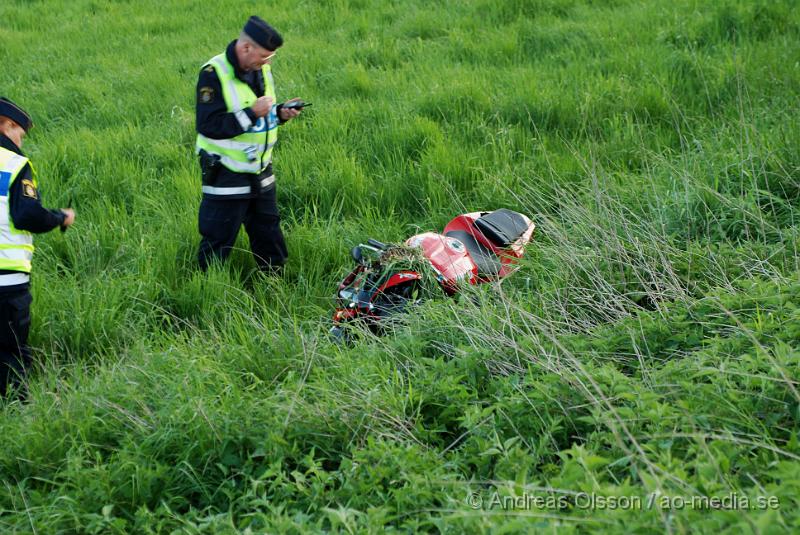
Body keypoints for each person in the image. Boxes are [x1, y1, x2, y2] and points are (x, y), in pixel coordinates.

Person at [195, 15, 304, 272]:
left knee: (268, 231)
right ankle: (205, 289)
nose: (267, 62)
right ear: (246, 48)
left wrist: (279, 113)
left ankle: (274, 282)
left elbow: (258, 113)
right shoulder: (213, 74)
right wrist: (253, 113)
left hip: (260, 169)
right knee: (218, 238)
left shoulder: (260, 69)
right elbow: (208, 125)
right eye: (264, 56)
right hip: (226, 173)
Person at [0, 97, 75, 397]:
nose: (21, 139)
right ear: (7, 126)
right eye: (20, 132)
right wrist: (60, 217)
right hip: (7, 280)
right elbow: (27, 214)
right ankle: (18, 416)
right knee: (11, 354)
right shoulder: (15, 164)